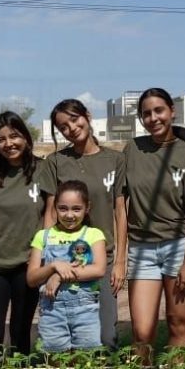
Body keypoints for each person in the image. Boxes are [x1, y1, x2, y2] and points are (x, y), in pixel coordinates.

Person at [120, 88, 185, 360]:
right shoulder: (132, 150)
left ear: (172, 111)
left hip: (178, 248)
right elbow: (120, 204)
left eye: (158, 110)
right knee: (142, 331)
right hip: (142, 251)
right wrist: (120, 257)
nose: (153, 118)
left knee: (178, 324)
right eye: (146, 113)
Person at [35, 99, 127, 349]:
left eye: (75, 120)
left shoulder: (115, 160)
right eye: (63, 127)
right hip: (63, 258)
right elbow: (51, 213)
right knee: (63, 335)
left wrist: (119, 262)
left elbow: (120, 210)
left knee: (105, 335)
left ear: (87, 116)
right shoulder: (55, 162)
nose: (71, 128)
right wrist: (48, 263)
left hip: (101, 260)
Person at [0, 111, 44, 358]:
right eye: (1, 139)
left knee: (20, 332)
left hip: (28, 264)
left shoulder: (43, 170)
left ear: (25, 137)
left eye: (14, 136)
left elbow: (51, 216)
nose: (9, 144)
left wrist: (41, 254)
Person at [27, 180, 107, 352]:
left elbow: (99, 269)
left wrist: (59, 276)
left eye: (76, 209)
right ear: (54, 208)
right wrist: (53, 266)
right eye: (63, 208)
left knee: (85, 359)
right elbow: (32, 278)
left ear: (87, 208)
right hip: (51, 311)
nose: (69, 215)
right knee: (56, 360)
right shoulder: (43, 236)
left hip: (85, 310)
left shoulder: (93, 235)